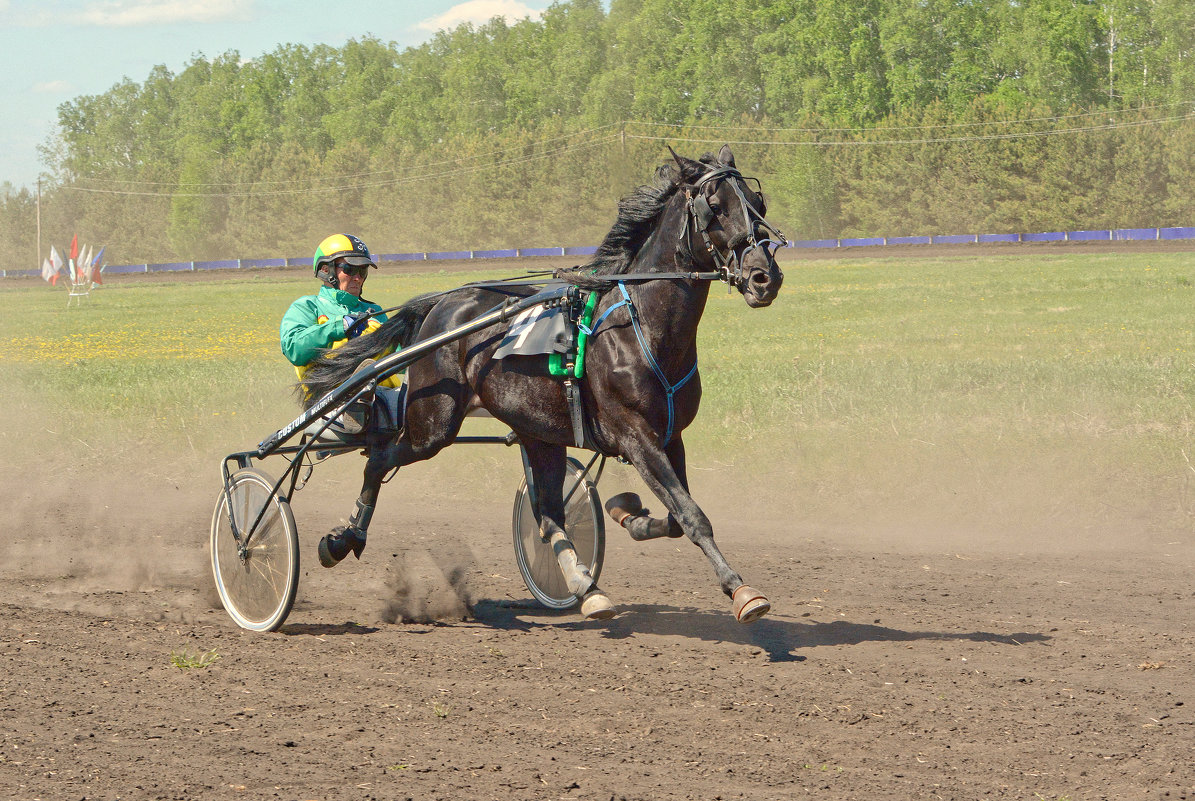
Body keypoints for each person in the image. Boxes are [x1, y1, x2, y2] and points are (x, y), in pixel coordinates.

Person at [280, 233, 401, 437]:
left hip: (385, 396)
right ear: (326, 270)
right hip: (329, 399)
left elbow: (400, 353)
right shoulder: (308, 306)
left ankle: (365, 393)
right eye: (350, 269)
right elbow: (294, 348)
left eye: (362, 271)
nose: (357, 277)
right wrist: (340, 325)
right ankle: (358, 395)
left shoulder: (374, 311)